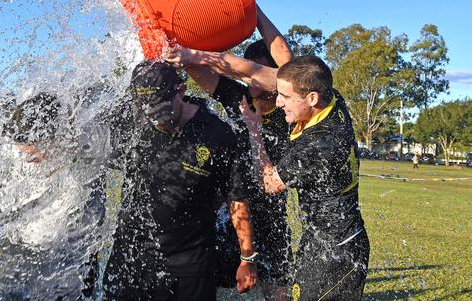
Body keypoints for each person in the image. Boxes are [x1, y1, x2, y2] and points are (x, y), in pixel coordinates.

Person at [103, 61, 258, 300]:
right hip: (130, 258)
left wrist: (246, 258)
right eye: (148, 111)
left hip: (189, 266)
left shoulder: (217, 134)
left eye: (162, 111)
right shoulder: (130, 121)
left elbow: (236, 198)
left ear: (182, 91)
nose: (156, 121)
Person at [240, 55, 370, 301]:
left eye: (286, 97)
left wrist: (254, 131)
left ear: (312, 98)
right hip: (321, 240)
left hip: (338, 250)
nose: (278, 102)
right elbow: (285, 62)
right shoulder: (333, 100)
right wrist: (257, 17)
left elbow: (270, 183)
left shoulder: (319, 144)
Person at [176, 37, 293, 299]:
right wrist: (181, 50)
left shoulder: (291, 114)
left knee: (279, 293)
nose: (252, 84)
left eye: (258, 74)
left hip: (273, 218)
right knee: (208, 285)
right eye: (247, 75)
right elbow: (196, 70)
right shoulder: (240, 99)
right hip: (233, 213)